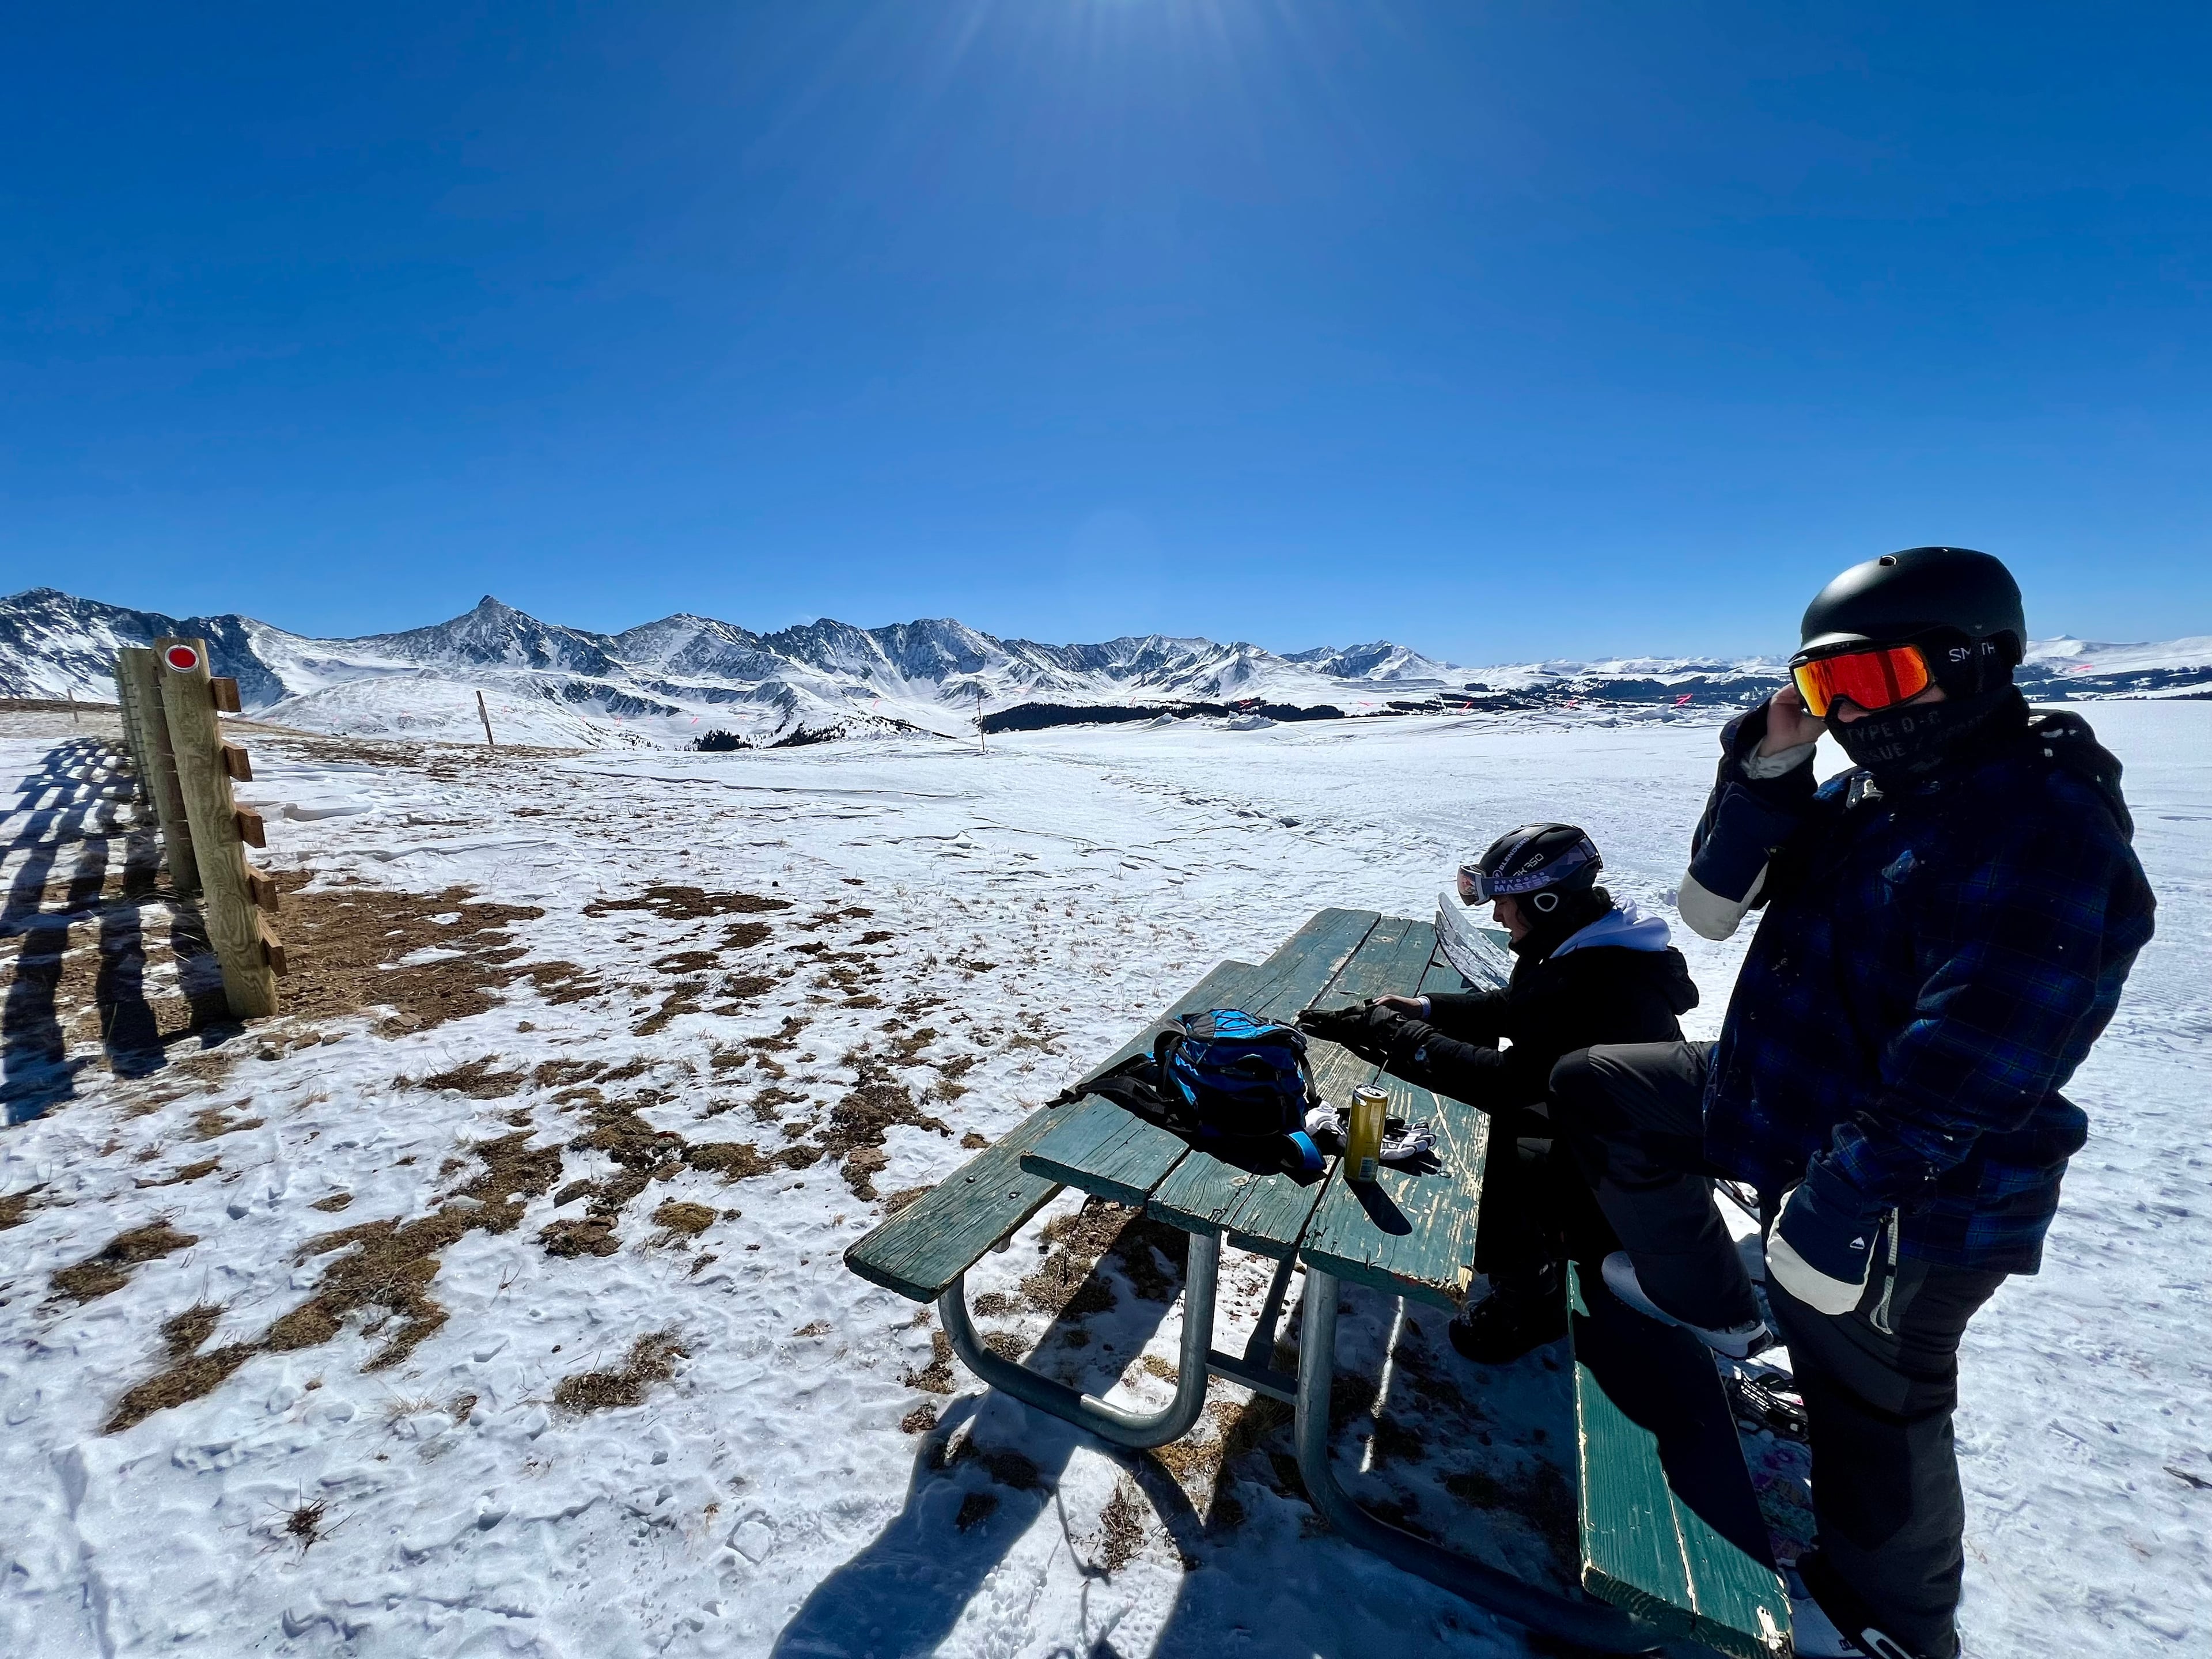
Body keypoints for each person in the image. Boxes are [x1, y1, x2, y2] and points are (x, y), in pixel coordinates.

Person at [1548, 547, 2154, 1659]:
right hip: (1779, 1102)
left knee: (1873, 1404)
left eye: (1878, 681)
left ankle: (1895, 1621)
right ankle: (1708, 1300)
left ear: (1978, 664)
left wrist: (1838, 1204)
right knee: (1602, 1088)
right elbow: (1713, 906)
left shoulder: (2043, 830)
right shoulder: (1865, 794)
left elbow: (1976, 1060)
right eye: (1829, 690)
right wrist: (1768, 769)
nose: (1853, 714)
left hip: (1916, 1187)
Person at [1297, 822, 1698, 1362]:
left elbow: (1509, 1082)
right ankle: (1541, 1257)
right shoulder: (1589, 949)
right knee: (1498, 1141)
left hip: (1629, 1182)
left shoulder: (1597, 980)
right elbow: (1519, 1008)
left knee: (1486, 1172)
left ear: (1547, 900)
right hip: (1619, 1138)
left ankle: (1531, 1311)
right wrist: (1428, 1011)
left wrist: (1402, 1037)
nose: (1496, 915)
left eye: (1505, 901)